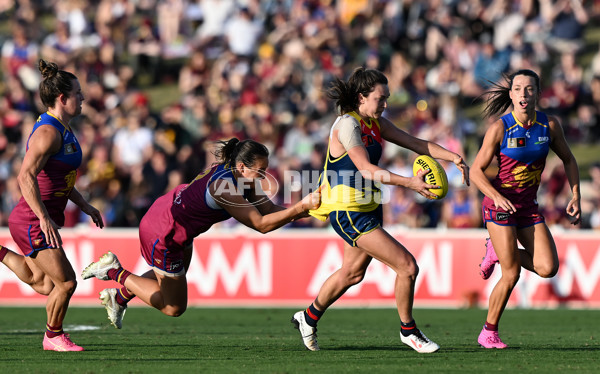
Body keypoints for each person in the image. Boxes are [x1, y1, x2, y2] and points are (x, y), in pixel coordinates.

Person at [292, 67, 470, 353]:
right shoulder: (347, 125)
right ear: (362, 97)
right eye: (381, 98)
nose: (386, 103)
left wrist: (454, 157)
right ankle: (409, 331)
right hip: (347, 210)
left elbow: (415, 143)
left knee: (351, 273)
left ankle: (308, 317)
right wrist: (410, 183)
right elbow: (367, 169)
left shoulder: (376, 123)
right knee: (407, 266)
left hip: (370, 205)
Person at [81, 138, 322, 328]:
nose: (264, 176)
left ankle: (120, 297)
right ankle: (114, 271)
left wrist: (311, 211)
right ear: (241, 166)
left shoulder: (238, 176)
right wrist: (301, 207)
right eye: (260, 171)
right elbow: (261, 224)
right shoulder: (224, 187)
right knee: (173, 307)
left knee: (170, 276)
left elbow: (269, 209)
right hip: (165, 231)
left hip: (173, 218)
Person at [470, 69, 581, 349]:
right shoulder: (500, 128)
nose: (523, 94)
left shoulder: (549, 126)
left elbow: (569, 159)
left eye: (529, 89)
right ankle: (488, 332)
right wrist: (495, 196)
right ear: (511, 94)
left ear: (538, 94)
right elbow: (476, 172)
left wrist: (575, 195)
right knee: (511, 274)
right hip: (500, 206)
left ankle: (498, 250)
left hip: (528, 207)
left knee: (548, 267)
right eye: (518, 88)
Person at [0, 59, 104, 351]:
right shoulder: (48, 132)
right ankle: (53, 336)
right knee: (66, 283)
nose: (83, 97)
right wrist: (43, 218)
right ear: (63, 98)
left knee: (43, 283)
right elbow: (25, 176)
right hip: (33, 219)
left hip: (35, 217)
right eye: (78, 93)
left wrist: (83, 204)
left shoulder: (63, 128)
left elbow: (58, 177)